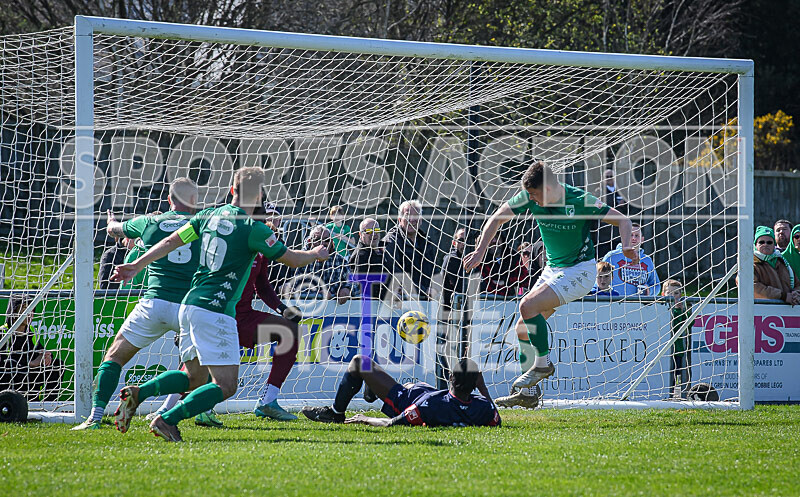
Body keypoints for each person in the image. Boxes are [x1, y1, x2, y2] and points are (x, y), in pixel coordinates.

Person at [110, 167, 329, 442]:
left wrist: (136, 265)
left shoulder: (207, 215)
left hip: (189, 306)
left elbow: (170, 240)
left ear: (232, 190)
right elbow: (293, 259)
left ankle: (140, 393)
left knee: (193, 377)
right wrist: (316, 254)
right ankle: (166, 419)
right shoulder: (254, 229)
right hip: (217, 311)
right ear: (259, 194)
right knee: (225, 386)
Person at [464, 161, 634, 408]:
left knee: (527, 306)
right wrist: (480, 250)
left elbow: (623, 220)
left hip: (580, 270)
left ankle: (543, 364)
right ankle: (529, 393)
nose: (531, 199)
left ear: (548, 188)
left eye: (534, 194)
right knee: (522, 328)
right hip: (552, 269)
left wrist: (627, 244)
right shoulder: (530, 197)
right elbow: (496, 218)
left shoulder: (579, 200)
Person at [73, 178, 201, 430]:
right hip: (188, 307)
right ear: (195, 202)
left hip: (153, 304)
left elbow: (114, 231)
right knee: (196, 377)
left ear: (168, 200)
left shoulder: (149, 221)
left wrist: (111, 221)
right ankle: (151, 400)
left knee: (114, 357)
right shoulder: (202, 223)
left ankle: (95, 417)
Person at [301, 355, 500, 427]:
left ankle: (335, 413)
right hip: (420, 391)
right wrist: (482, 389)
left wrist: (364, 419)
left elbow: (391, 423)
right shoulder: (483, 408)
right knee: (412, 384)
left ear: (450, 378)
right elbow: (495, 415)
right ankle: (371, 389)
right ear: (476, 385)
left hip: (403, 397)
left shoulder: (429, 405)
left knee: (360, 362)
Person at [0, 297, 62, 401]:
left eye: (32, 310)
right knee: (12, 365)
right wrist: (31, 363)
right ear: (14, 312)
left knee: (57, 365)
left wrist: (45, 355)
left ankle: (48, 405)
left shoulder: (32, 331)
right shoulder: (3, 333)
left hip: (29, 374)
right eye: (25, 309)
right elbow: (3, 363)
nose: (30, 313)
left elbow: (39, 351)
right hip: (10, 379)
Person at [384, 200, 436, 299]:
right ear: (399, 219)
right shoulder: (391, 241)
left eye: (416, 216)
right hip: (400, 301)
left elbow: (434, 271)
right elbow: (397, 275)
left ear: (420, 220)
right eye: (407, 215)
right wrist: (424, 290)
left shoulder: (426, 242)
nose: (412, 219)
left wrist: (435, 289)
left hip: (426, 300)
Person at [294, 225, 353, 303]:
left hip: (335, 311)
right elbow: (292, 286)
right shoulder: (299, 259)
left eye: (326, 240)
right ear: (309, 241)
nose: (322, 243)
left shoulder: (341, 261)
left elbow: (353, 284)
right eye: (318, 240)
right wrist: (317, 294)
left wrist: (346, 289)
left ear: (331, 241)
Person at [601, 222, 661, 296]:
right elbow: (598, 278)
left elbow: (657, 286)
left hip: (639, 305)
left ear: (642, 239)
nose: (633, 238)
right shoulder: (611, 256)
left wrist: (649, 290)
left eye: (637, 236)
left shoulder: (647, 260)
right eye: (631, 235)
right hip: (616, 303)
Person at [751, 226, 800, 304]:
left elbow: (797, 284)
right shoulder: (749, 264)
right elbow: (752, 287)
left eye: (769, 242)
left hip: (785, 311)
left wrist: (796, 294)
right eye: (761, 242)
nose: (765, 244)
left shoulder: (783, 262)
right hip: (760, 312)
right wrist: (782, 296)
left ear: (774, 245)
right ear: (755, 245)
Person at [662, 279, 691, 399]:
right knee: (665, 375)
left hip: (678, 349)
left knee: (677, 374)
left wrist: (681, 311)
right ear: (663, 294)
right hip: (663, 350)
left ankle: (677, 396)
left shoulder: (684, 308)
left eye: (676, 293)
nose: (673, 296)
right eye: (669, 293)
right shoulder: (661, 309)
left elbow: (690, 323)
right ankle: (665, 395)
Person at [349, 217, 390, 300]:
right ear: (360, 235)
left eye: (376, 230)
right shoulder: (360, 256)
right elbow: (364, 287)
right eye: (369, 231)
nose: (374, 234)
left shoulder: (379, 252)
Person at [595, 168, 627, 258]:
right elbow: (598, 208)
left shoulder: (622, 191)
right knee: (603, 258)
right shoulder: (599, 192)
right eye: (606, 176)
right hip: (604, 233)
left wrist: (625, 204)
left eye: (611, 176)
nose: (609, 178)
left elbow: (630, 208)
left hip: (618, 231)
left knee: (617, 257)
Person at [440, 227, 468, 310]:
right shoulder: (451, 260)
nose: (464, 243)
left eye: (467, 240)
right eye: (461, 240)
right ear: (454, 243)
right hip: (450, 313)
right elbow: (463, 287)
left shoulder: (478, 259)